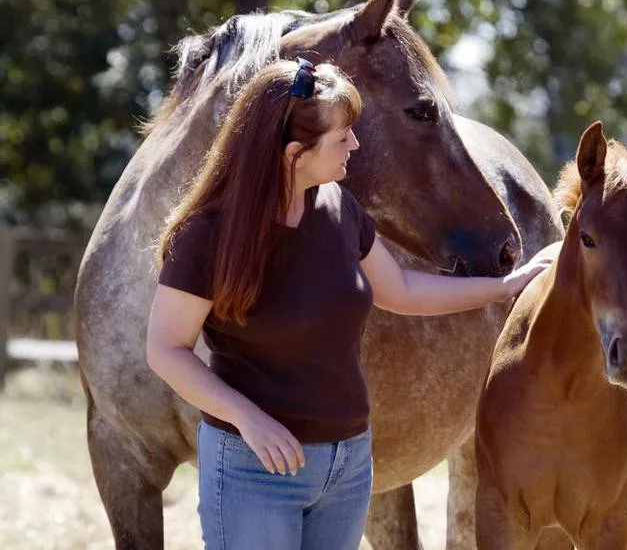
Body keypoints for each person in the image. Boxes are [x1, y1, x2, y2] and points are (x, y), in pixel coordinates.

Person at [146, 58, 550, 550]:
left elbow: (401, 290)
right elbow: (166, 349)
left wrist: (508, 285)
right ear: (294, 153)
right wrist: (247, 419)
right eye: (342, 138)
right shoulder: (206, 236)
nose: (356, 146)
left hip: (348, 466)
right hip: (255, 467)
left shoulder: (340, 208)